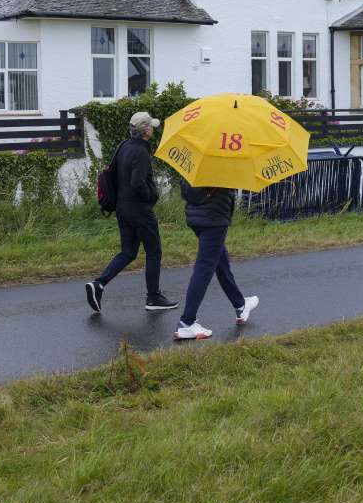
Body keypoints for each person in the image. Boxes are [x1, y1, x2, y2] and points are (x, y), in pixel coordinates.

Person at [85, 112, 178, 313]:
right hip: (139, 209)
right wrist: (151, 196)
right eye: (151, 126)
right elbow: (137, 183)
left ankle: (98, 284)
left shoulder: (123, 147)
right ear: (145, 131)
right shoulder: (141, 152)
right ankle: (153, 298)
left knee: (128, 251)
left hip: (122, 208)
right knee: (154, 251)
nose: (153, 129)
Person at [173, 178, 258, 340]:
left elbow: (186, 189)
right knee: (204, 268)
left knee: (220, 261)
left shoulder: (200, 161)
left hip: (196, 216)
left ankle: (240, 305)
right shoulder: (222, 164)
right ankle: (186, 323)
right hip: (214, 219)